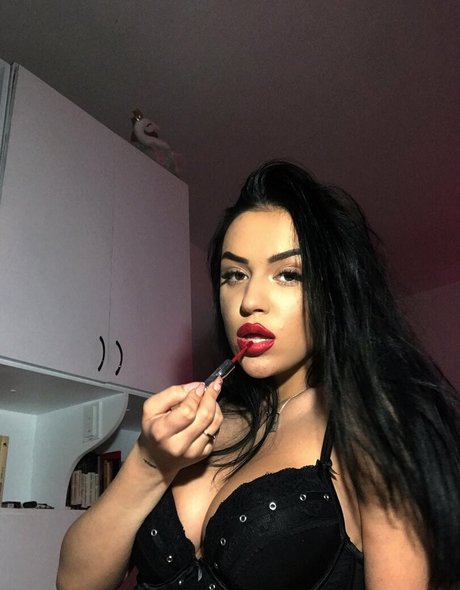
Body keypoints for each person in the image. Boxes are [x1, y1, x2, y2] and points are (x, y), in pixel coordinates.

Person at [57, 161, 460, 590]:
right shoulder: (207, 422)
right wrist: (149, 462)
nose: (249, 300)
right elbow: (74, 584)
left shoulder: (373, 426)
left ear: (334, 289)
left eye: (288, 274)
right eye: (235, 274)